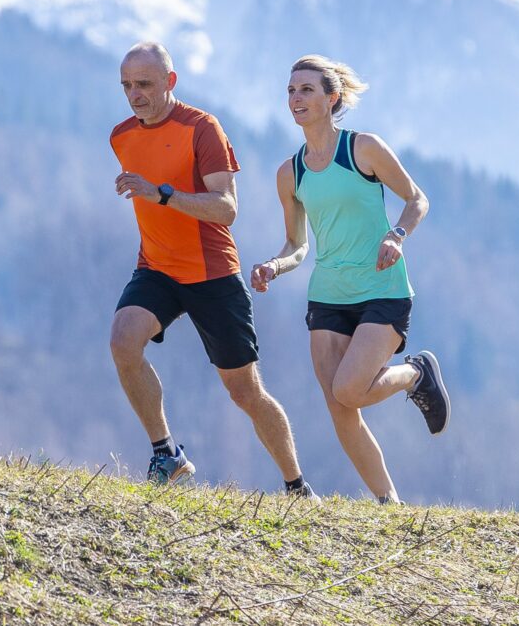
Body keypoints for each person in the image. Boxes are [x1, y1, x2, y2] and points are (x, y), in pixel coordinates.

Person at [109, 41, 317, 499]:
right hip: (158, 268)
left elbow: (226, 209)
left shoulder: (203, 129)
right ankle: (166, 454)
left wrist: (161, 193)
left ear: (171, 82)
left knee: (244, 391)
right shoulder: (121, 136)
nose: (134, 94)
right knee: (124, 340)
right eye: (126, 85)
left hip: (212, 273)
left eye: (144, 84)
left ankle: (296, 486)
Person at [250, 54, 450, 505]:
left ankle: (415, 373)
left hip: (383, 288)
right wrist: (274, 266)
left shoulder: (363, 149)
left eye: (306, 90)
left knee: (349, 390)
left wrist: (397, 236)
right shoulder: (291, 173)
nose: (296, 98)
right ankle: (390, 506)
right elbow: (296, 244)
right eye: (290, 90)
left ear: (332, 98)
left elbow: (417, 199)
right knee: (340, 409)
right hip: (328, 296)